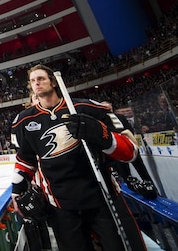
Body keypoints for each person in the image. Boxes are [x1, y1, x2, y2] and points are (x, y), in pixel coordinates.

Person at [10, 64, 145, 251]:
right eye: (33, 81)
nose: (37, 83)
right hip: (60, 204)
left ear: (53, 82)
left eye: (41, 78)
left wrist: (101, 134)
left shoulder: (86, 108)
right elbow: (25, 160)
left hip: (101, 197)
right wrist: (16, 190)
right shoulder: (24, 121)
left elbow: (131, 152)